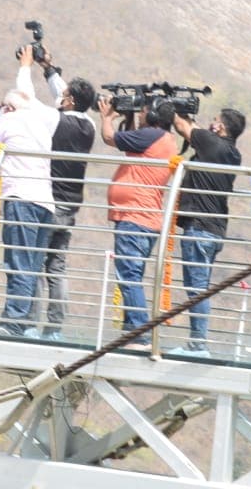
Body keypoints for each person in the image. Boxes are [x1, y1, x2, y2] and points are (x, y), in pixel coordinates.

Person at [19, 46, 96, 341]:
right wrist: (48, 68)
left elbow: (28, 98)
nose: (59, 99)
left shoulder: (56, 120)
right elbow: (68, 95)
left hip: (49, 203)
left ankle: (28, 324)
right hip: (72, 206)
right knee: (57, 267)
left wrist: (26, 66)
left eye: (63, 98)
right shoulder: (87, 125)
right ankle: (54, 328)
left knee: (35, 263)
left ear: (70, 101)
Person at [99, 94, 179, 348]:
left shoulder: (151, 135)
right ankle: (131, 329)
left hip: (135, 216)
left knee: (129, 275)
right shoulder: (160, 139)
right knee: (131, 274)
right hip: (144, 217)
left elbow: (110, 138)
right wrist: (130, 117)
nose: (141, 114)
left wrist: (106, 118)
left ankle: (138, 332)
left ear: (154, 115)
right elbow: (129, 143)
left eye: (143, 111)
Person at [168, 108, 246, 357]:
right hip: (213, 229)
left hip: (200, 227)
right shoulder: (231, 152)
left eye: (215, 121)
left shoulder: (212, 144)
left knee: (197, 288)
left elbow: (181, 126)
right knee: (198, 287)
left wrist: (170, 108)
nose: (212, 124)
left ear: (221, 128)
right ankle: (196, 343)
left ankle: (198, 345)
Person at [0, 87, 55, 338]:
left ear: (10, 108)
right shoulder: (41, 126)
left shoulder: (9, 120)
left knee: (18, 262)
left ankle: (13, 321)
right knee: (31, 266)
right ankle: (22, 321)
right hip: (45, 202)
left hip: (21, 197)